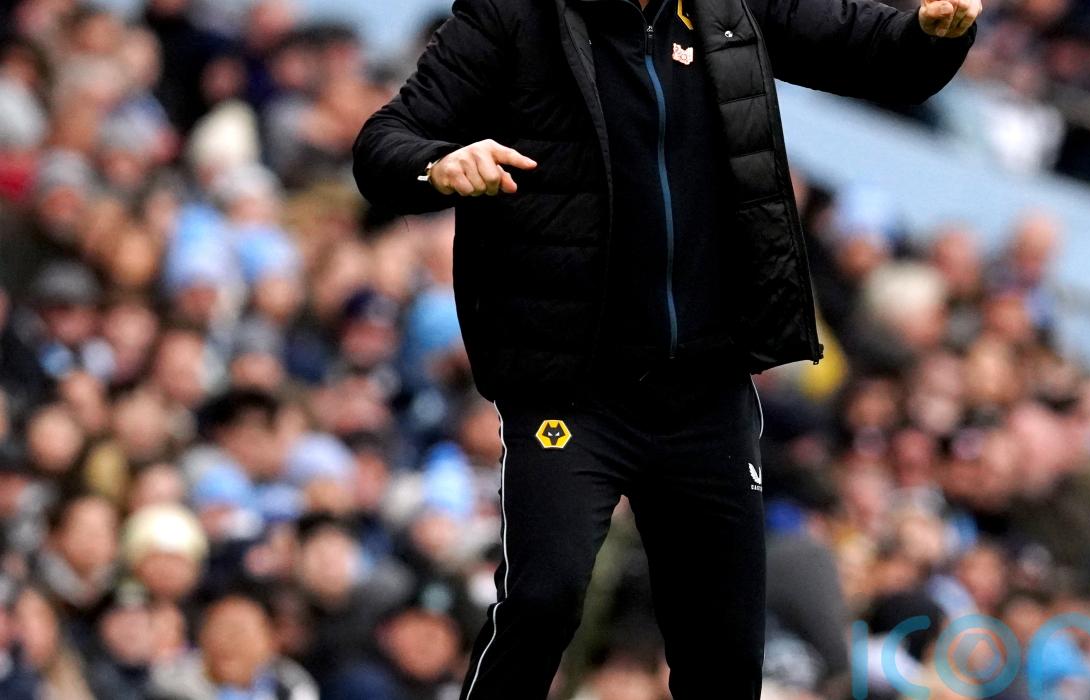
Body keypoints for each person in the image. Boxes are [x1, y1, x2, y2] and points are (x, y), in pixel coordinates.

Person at [353, 0, 980, 696]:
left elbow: (877, 55)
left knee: (726, 658)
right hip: (574, 390)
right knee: (543, 598)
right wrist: (437, 166)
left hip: (707, 390)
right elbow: (384, 144)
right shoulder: (513, 14)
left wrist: (932, 33)